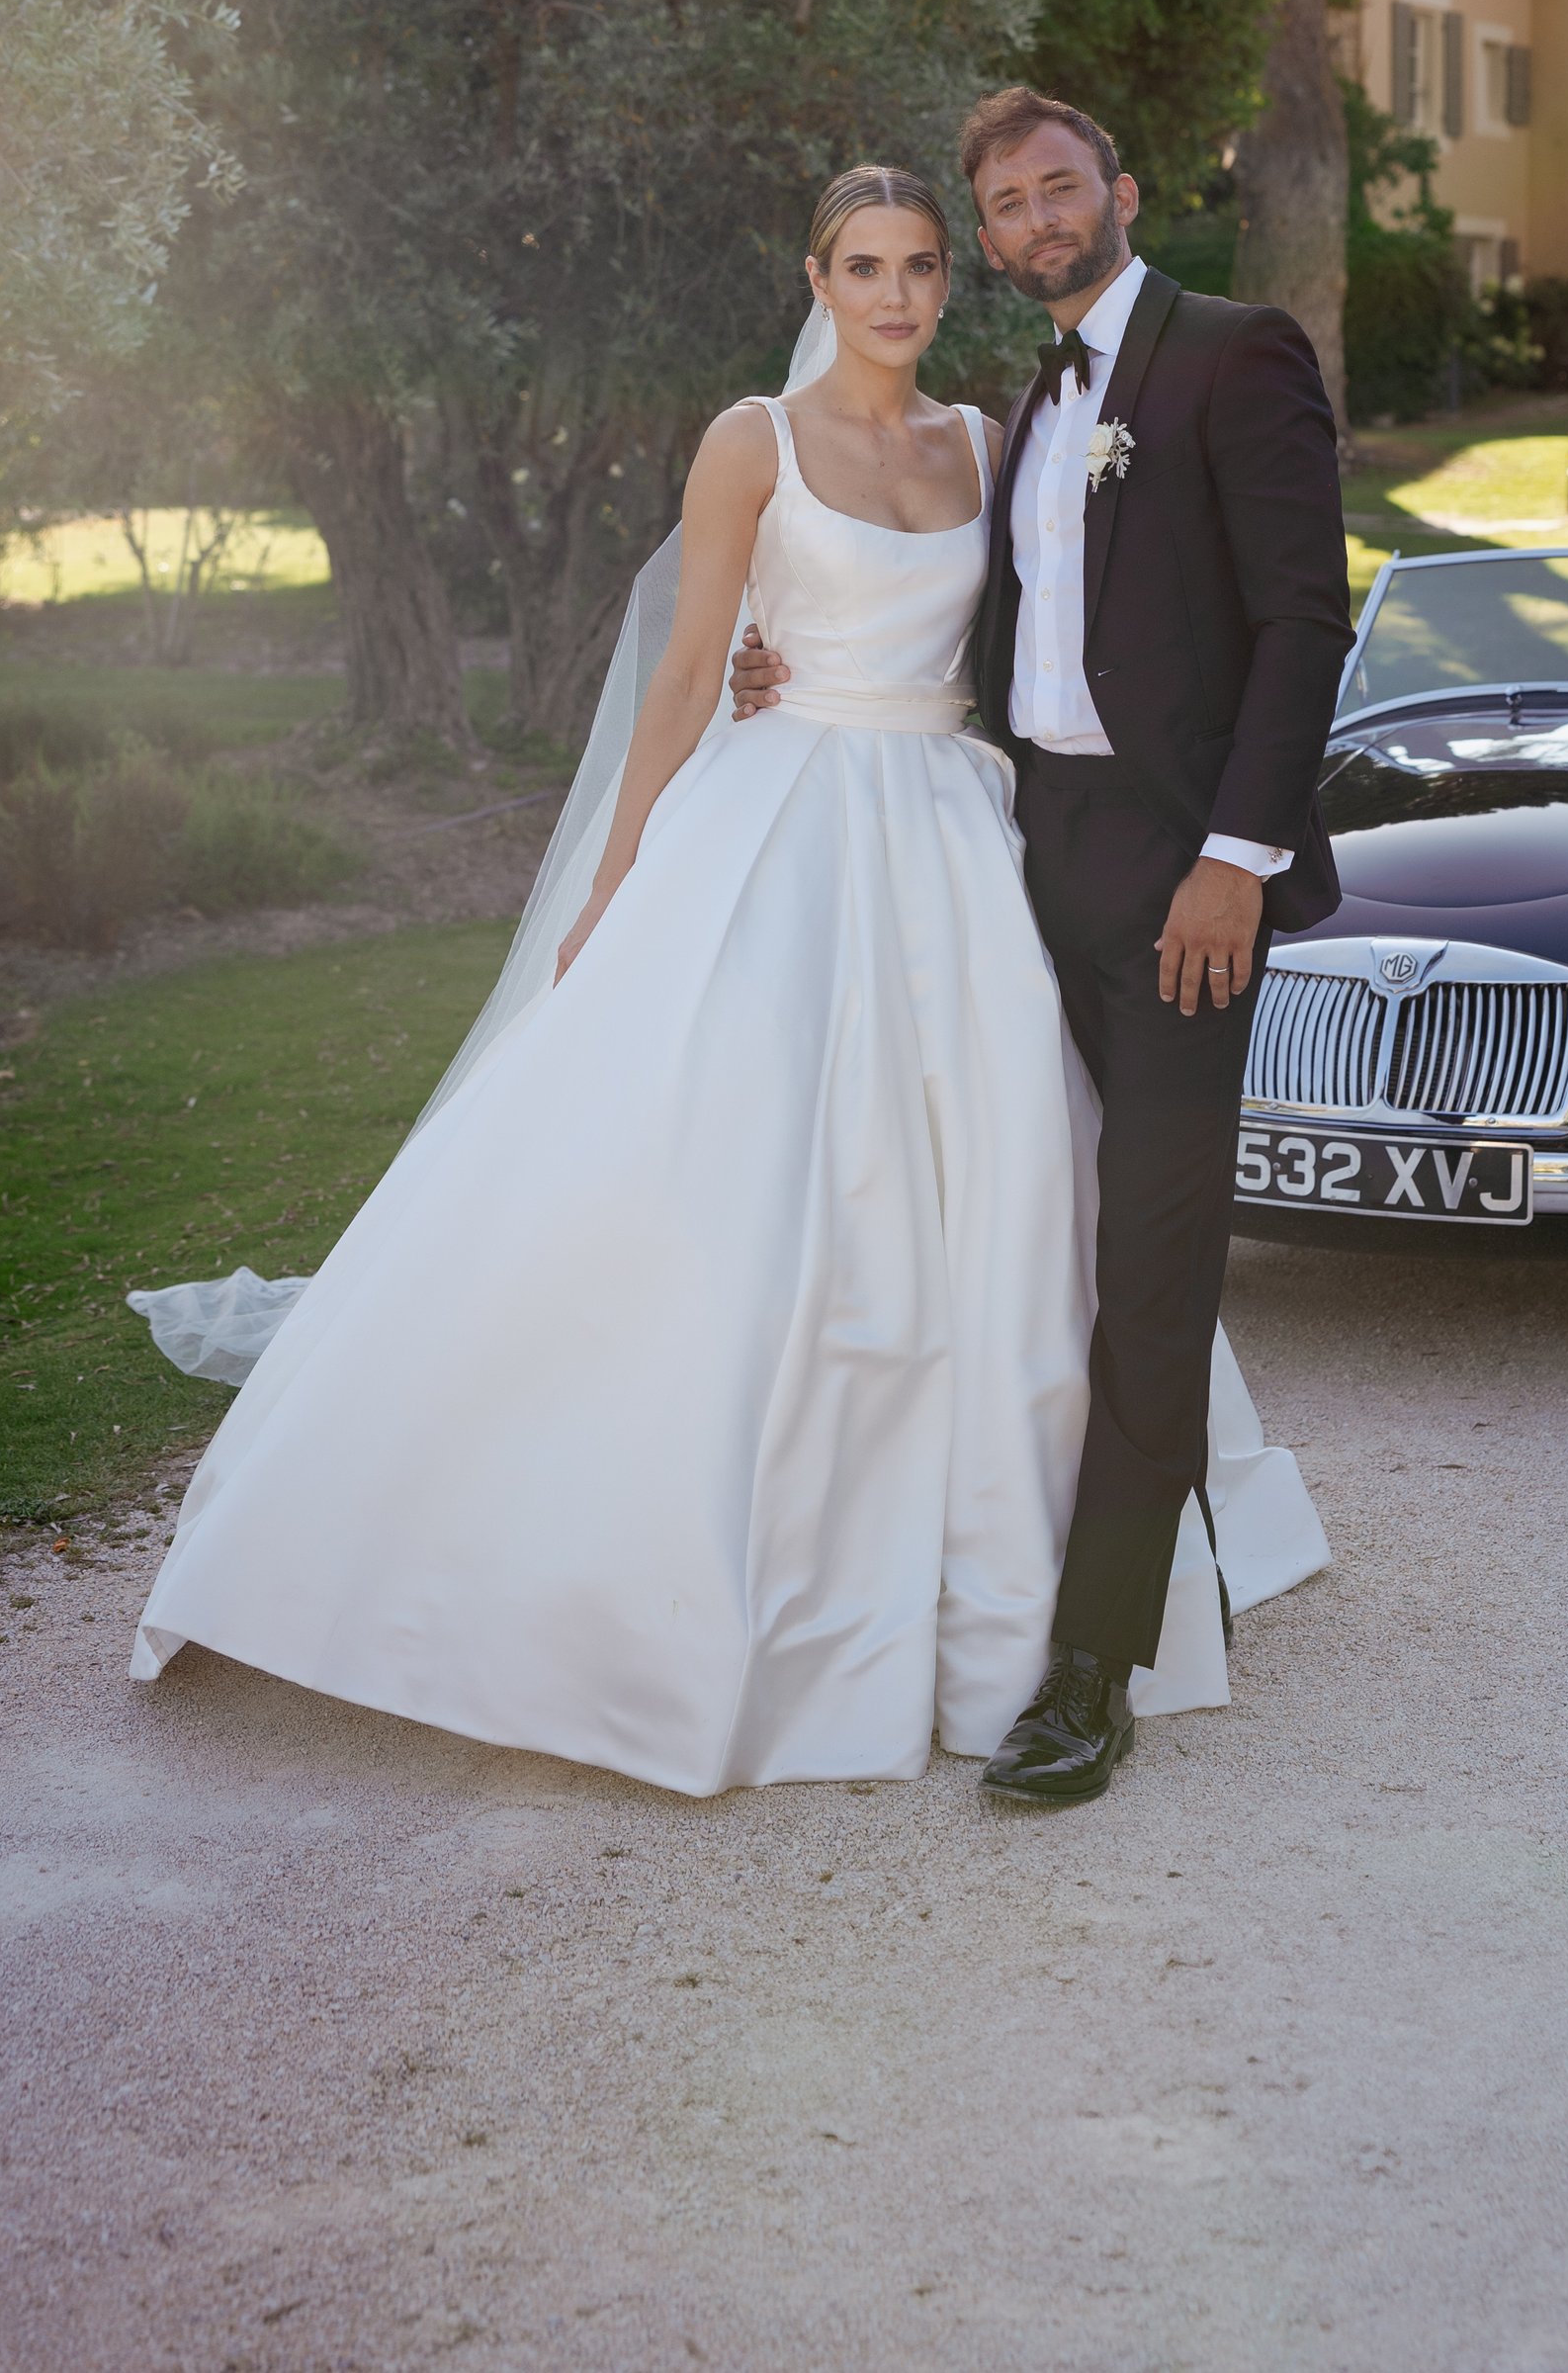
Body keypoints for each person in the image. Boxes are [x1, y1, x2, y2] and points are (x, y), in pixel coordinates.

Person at [129, 164, 1324, 1795]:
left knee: (1001, 1195)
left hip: (960, 848)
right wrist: (623, 870)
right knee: (748, 1178)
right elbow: (693, 665)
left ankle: (1037, 1581)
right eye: (864, 267)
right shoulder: (749, 439)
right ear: (817, 278)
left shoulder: (998, 439)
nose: (896, 296)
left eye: (917, 267)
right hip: (781, 831)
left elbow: (1062, 631)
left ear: (942, 281)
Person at [735, 91, 1353, 1802]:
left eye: (1053, 187)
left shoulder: (1237, 351)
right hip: (1018, 857)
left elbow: (1310, 617)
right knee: (1025, 1222)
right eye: (1001, 204)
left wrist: (1236, 858)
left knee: (1152, 1250)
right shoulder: (1013, 415)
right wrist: (772, 665)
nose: (1030, 218)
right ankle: (1113, 1523)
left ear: (1121, 194)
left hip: (1180, 883)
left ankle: (1090, 1666)